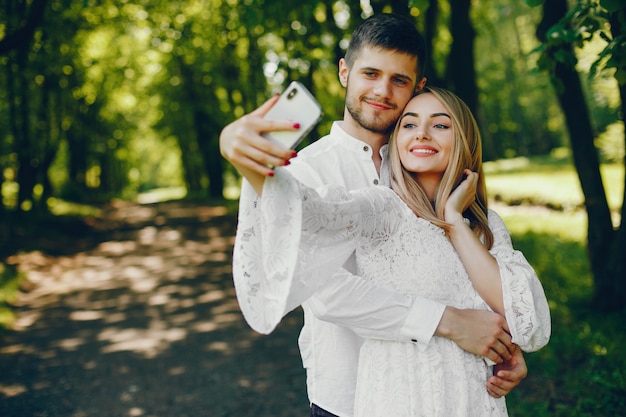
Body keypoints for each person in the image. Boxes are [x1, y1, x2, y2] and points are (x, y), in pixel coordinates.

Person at [220, 13, 528, 417]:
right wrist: (451, 322)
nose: (382, 91)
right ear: (344, 72)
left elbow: (464, 274)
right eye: (370, 73)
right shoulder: (305, 170)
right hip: (347, 396)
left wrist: (503, 348)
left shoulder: (427, 164)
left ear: (418, 86)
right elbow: (328, 293)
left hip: (451, 393)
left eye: (399, 80)